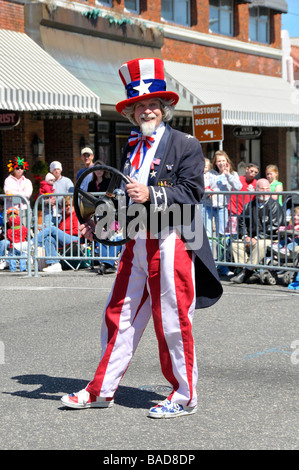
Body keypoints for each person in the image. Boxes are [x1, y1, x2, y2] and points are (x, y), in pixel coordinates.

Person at [61, 57, 222, 418]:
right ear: (132, 113)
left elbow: (192, 192)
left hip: (174, 240)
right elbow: (122, 196)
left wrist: (152, 194)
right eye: (140, 106)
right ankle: (101, 389)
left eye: (153, 104)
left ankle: (184, 396)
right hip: (137, 240)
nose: (147, 111)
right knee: (117, 313)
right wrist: (97, 223)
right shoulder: (131, 149)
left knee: (173, 320)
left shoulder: (185, 145)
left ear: (164, 109)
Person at [230, 178, 283, 284]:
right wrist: (245, 236)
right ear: (256, 189)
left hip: (269, 238)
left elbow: (274, 226)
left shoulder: (275, 205)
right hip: (251, 237)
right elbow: (242, 223)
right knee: (236, 244)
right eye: (262, 188)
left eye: (267, 188)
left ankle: (247, 271)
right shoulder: (248, 205)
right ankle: (248, 271)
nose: (265, 191)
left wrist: (257, 238)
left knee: (260, 244)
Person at [205, 150, 242, 275]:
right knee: (208, 236)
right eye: (218, 161)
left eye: (223, 161)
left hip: (222, 207)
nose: (221, 163)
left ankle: (222, 265)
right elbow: (205, 185)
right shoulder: (210, 173)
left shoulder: (233, 174)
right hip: (208, 206)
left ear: (227, 161)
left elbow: (238, 187)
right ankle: (209, 265)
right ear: (215, 163)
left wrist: (227, 175)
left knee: (222, 237)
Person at [35, 196, 80, 273]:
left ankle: (33, 242)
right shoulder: (64, 216)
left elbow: (77, 231)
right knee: (49, 238)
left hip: (75, 238)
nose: (68, 207)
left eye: (70, 205)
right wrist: (60, 233)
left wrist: (61, 233)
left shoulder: (77, 215)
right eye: (66, 205)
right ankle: (54, 263)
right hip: (64, 239)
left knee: (52, 229)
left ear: (74, 206)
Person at [4, 156, 33, 225]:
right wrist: (22, 194)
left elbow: (28, 194)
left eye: (21, 168)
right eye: (17, 168)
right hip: (11, 210)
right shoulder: (8, 180)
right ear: (13, 169)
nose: (20, 170)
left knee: (25, 230)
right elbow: (8, 195)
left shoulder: (27, 181)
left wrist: (14, 192)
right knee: (12, 231)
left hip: (24, 209)